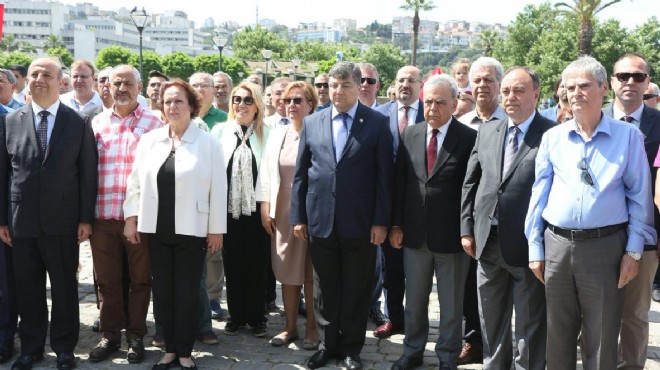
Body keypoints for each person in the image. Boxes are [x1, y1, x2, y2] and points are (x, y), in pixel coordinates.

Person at [525, 56, 656, 370]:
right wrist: (535, 246)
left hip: (605, 248)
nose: (576, 93)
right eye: (570, 87)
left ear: (602, 89)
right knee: (558, 335)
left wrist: (633, 252)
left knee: (601, 336)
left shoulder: (628, 138)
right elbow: (538, 195)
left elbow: (640, 199)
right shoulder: (552, 138)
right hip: (556, 245)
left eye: (584, 85)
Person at [291, 62, 394, 370]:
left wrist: (380, 221)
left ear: (358, 86)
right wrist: (299, 217)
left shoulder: (376, 122)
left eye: (344, 85)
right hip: (321, 220)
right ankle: (327, 345)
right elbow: (301, 175)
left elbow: (383, 177)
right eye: (332, 85)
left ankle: (351, 348)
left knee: (355, 288)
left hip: (360, 223)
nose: (337, 91)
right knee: (325, 288)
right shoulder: (313, 122)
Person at [0, 57, 98, 370]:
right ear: (24, 81)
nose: (40, 79)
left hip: (63, 222)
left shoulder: (78, 121)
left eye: (48, 75)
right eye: (34, 74)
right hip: (21, 222)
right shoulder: (11, 120)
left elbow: (87, 174)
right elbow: (4, 173)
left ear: (60, 81)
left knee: (65, 289)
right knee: (27, 289)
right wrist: (3, 219)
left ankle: (64, 349)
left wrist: (85, 218)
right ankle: (31, 348)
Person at [124, 79, 227, 370]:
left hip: (192, 229)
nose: (172, 106)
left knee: (186, 292)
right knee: (164, 292)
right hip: (156, 229)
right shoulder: (150, 141)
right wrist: (131, 218)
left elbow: (219, 188)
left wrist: (216, 228)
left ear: (192, 106)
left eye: (179, 101)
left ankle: (184, 350)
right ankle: (169, 348)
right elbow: (134, 183)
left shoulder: (208, 143)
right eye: (167, 101)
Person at [461, 66, 555, 370]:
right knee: (490, 319)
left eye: (519, 90)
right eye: (506, 91)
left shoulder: (552, 134)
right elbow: (471, 183)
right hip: (487, 242)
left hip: (528, 246)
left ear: (537, 94)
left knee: (529, 323)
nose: (510, 97)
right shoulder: (488, 130)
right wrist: (466, 228)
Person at [390, 74, 476, 370]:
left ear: (454, 103)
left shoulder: (468, 138)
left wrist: (468, 231)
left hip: (452, 238)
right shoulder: (410, 134)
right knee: (414, 301)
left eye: (440, 102)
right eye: (428, 101)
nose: (433, 108)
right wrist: (396, 224)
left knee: (451, 305)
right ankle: (412, 351)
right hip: (414, 234)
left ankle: (447, 356)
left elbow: (471, 188)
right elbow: (401, 182)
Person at [87, 64, 162, 364]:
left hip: (139, 218)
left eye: (127, 83)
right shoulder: (95, 124)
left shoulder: (155, 123)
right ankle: (110, 335)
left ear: (139, 88)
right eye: (116, 82)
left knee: (140, 280)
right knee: (106, 280)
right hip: (102, 216)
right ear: (107, 86)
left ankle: (136, 336)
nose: (121, 88)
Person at [602, 53, 660, 370]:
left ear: (647, 82)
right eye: (623, 76)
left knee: (635, 314)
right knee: (595, 311)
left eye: (638, 77)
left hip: (647, 236)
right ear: (611, 82)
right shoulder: (591, 120)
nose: (630, 82)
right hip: (595, 235)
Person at [256, 81, 319, 350]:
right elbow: (267, 172)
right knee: (287, 272)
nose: (291, 105)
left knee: (311, 273)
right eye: (288, 100)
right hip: (282, 214)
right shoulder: (278, 133)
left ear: (311, 105)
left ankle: (314, 329)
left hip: (313, 215)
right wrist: (265, 207)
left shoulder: (319, 132)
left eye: (298, 100)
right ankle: (290, 326)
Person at [210, 81, 271, 337]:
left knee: (257, 264)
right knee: (232, 263)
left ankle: (257, 317)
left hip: (258, 211)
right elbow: (212, 173)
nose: (241, 105)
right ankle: (236, 315)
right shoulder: (219, 131)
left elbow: (271, 175)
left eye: (247, 100)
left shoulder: (268, 133)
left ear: (257, 105)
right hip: (227, 211)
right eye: (237, 99)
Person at [374, 65, 426, 339]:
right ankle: (394, 317)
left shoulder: (431, 114)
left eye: (411, 80)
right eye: (401, 80)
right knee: (390, 268)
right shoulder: (379, 116)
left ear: (421, 85)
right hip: (387, 202)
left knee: (418, 270)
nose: (406, 84)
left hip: (419, 204)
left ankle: (419, 321)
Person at [458, 57, 507, 130]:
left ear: (500, 84)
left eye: (488, 80)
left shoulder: (511, 122)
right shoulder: (462, 124)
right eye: (477, 80)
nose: (482, 85)